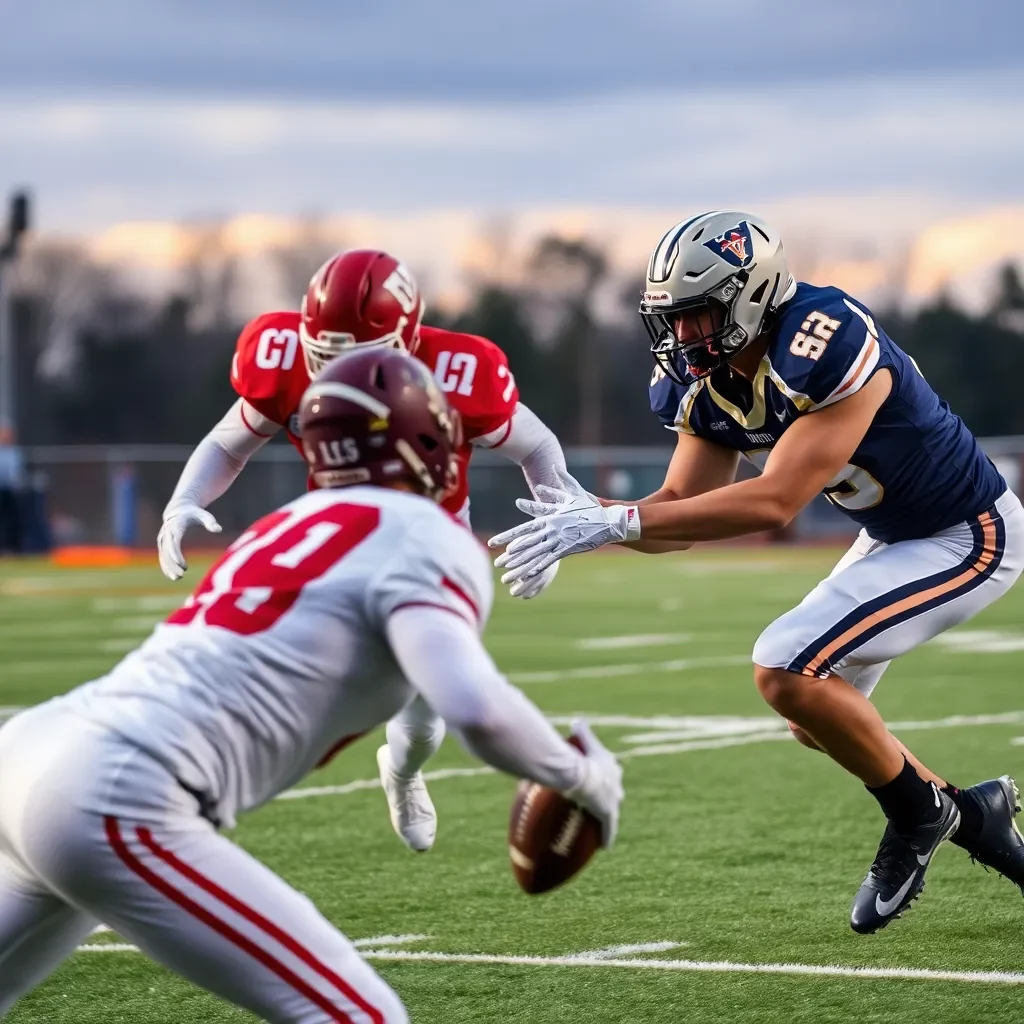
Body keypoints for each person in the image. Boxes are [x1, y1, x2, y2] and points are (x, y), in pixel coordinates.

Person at [0, 347, 622, 1023]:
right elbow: (473, 707)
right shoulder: (425, 535)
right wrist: (578, 777)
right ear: (430, 441)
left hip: (34, 752)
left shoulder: (278, 527)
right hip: (117, 792)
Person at [490, 210, 1024, 934]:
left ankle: (922, 818)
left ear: (752, 295)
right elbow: (678, 508)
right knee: (819, 717)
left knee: (783, 666)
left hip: (968, 532)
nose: (683, 338)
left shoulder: (826, 337)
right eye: (673, 321)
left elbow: (777, 499)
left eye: (699, 316)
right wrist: (593, 520)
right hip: (897, 534)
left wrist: (620, 521)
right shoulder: (703, 381)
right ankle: (964, 816)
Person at [157, 249, 569, 854]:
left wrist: (554, 530)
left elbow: (536, 446)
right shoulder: (284, 360)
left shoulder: (457, 371)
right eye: (324, 358)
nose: (335, 377)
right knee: (284, 673)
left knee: (423, 712)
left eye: (354, 359)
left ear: (407, 337)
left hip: (431, 548)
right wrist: (180, 502)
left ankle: (401, 771)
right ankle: (186, 789)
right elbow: (228, 444)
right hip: (335, 537)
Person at [0, 426, 23, 555]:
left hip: (11, 489)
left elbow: (17, 470)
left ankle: (13, 547)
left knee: (13, 520)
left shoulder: (15, 452)